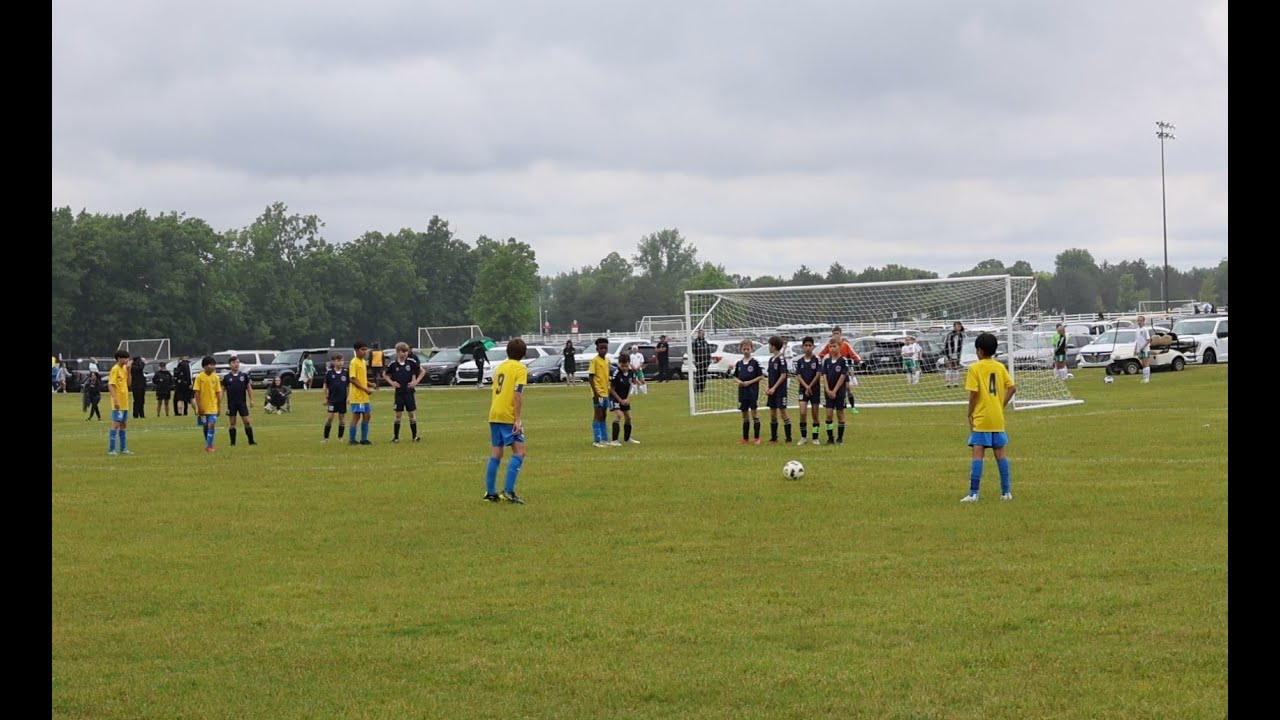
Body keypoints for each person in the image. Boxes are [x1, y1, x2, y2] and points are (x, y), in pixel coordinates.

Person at [961, 332, 1017, 502]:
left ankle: (973, 493)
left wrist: (970, 412)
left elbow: (974, 394)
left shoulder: (974, 368)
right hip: (997, 417)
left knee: (978, 453)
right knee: (1000, 454)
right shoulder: (999, 367)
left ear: (979, 351)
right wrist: (1000, 405)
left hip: (982, 416)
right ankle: (1006, 492)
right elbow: (1012, 388)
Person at [483, 338, 529, 504]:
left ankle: (490, 492)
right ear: (523, 353)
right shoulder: (520, 368)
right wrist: (517, 419)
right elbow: (517, 394)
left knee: (496, 453)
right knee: (520, 452)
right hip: (507, 415)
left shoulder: (500, 367)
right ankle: (508, 492)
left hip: (494, 413)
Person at [384, 341, 426, 442]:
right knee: (398, 415)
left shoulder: (411, 362)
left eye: (406, 351)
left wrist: (416, 382)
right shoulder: (393, 364)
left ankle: (415, 437)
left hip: (409, 392)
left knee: (411, 414)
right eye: (403, 351)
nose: (405, 353)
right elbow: (384, 374)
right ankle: (396, 437)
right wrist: (392, 382)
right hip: (399, 393)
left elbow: (423, 371)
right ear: (397, 352)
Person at [733, 339, 764, 444]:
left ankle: (756, 438)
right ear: (741, 350)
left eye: (748, 349)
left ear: (752, 349)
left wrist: (749, 382)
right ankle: (745, 438)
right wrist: (739, 382)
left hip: (752, 392)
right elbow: (735, 377)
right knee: (744, 414)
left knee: (754, 414)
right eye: (744, 349)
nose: (746, 351)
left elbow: (760, 376)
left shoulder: (755, 363)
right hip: (742, 392)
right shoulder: (739, 363)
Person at [222, 356, 257, 446]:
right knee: (232, 423)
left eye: (237, 362)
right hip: (231, 404)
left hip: (242, 403)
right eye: (233, 363)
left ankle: (251, 441)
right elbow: (222, 390)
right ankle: (233, 443)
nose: (236, 364)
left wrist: (252, 400)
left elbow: (249, 388)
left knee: (247, 422)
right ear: (230, 365)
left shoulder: (244, 376)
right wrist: (219, 401)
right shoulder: (226, 377)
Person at [821, 337, 851, 446]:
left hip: (839, 392)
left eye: (834, 346)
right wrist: (828, 389)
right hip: (828, 392)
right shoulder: (827, 361)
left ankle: (840, 438)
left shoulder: (843, 361)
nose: (832, 349)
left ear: (840, 347)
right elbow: (824, 375)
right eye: (830, 346)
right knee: (828, 415)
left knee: (840, 414)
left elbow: (842, 376)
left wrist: (834, 390)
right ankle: (830, 438)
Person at [793, 336, 823, 445]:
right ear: (802, 347)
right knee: (802, 413)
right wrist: (806, 387)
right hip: (803, 390)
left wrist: (810, 386)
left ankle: (815, 437)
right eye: (806, 346)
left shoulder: (817, 360)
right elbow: (799, 376)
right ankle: (803, 437)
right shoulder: (800, 361)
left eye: (810, 345)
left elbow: (818, 374)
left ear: (813, 346)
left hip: (814, 390)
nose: (808, 348)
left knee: (815, 415)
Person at [347, 341, 377, 445]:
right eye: (362, 349)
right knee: (357, 416)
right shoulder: (354, 362)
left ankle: (364, 439)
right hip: (357, 395)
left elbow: (362, 378)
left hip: (364, 395)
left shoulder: (363, 362)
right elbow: (353, 379)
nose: (365, 352)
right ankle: (352, 439)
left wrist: (369, 384)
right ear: (356, 350)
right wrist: (365, 389)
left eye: (366, 349)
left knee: (367, 416)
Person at [765, 335, 793, 443]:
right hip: (772, 391)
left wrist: (775, 387)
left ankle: (788, 438)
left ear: (774, 346)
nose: (769, 347)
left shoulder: (781, 359)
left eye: (770, 345)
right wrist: (768, 387)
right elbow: (770, 375)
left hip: (780, 391)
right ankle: (774, 438)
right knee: (772, 413)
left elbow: (783, 375)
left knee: (783, 412)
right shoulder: (771, 359)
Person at [192, 356, 221, 453]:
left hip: (213, 406)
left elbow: (218, 392)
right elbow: (197, 392)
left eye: (213, 365)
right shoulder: (199, 377)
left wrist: (219, 406)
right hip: (203, 407)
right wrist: (199, 407)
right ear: (204, 366)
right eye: (210, 365)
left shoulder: (216, 377)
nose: (212, 367)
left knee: (211, 424)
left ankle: (208, 446)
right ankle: (209, 443)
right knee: (205, 427)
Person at [107, 349, 133, 454]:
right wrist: (115, 400)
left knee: (123, 424)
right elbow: (111, 385)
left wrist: (129, 371)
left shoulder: (124, 369)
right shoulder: (115, 369)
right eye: (125, 358)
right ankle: (112, 449)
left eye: (127, 358)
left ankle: (123, 448)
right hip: (118, 402)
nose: (127, 360)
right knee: (115, 424)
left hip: (125, 402)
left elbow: (129, 383)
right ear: (119, 358)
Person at [609, 353, 638, 445]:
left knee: (628, 417)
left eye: (626, 366)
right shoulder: (616, 374)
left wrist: (627, 398)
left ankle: (627, 438)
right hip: (615, 397)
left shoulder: (631, 373)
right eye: (622, 366)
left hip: (624, 398)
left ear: (629, 363)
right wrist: (620, 400)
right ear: (619, 364)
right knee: (618, 415)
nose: (624, 368)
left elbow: (630, 386)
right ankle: (614, 440)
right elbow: (611, 389)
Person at [321, 352, 350, 442]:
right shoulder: (329, 373)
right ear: (333, 362)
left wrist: (349, 397)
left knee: (342, 418)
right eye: (338, 361)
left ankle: (340, 438)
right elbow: (325, 385)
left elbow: (349, 386)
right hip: (333, 399)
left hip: (342, 399)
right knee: (330, 418)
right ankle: (326, 438)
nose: (340, 363)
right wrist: (325, 397)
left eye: (342, 361)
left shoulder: (345, 372)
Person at [588, 337, 612, 447]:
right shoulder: (595, 360)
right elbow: (591, 377)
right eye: (601, 348)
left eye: (605, 348)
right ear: (597, 349)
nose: (603, 350)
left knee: (604, 415)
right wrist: (595, 393)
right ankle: (597, 439)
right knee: (598, 414)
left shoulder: (607, 361)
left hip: (606, 392)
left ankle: (604, 438)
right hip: (599, 393)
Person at [942, 322, 966, 388]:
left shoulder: (961, 335)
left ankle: (956, 383)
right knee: (949, 368)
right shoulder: (950, 335)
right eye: (956, 326)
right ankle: (948, 383)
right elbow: (948, 345)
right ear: (954, 327)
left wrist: (959, 355)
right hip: (949, 353)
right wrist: (949, 355)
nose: (958, 327)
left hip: (957, 354)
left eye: (959, 326)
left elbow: (960, 346)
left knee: (956, 368)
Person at [1134, 315, 1153, 384]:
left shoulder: (1145, 330)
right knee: (1143, 364)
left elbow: (1148, 340)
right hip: (1140, 350)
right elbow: (1137, 341)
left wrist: (1143, 347)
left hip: (1145, 349)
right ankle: (1144, 378)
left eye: (1140, 321)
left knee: (1146, 363)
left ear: (1143, 321)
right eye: (1138, 321)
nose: (1139, 322)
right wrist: (1136, 349)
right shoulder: (1137, 330)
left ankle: (1147, 379)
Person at [691, 329, 711, 393]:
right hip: (699, 362)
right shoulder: (695, 342)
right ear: (698, 334)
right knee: (699, 375)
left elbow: (708, 352)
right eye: (702, 334)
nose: (703, 335)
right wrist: (695, 361)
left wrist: (708, 361)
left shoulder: (705, 342)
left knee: (704, 375)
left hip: (705, 362)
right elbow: (693, 352)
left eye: (703, 334)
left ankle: (702, 388)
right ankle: (697, 388)